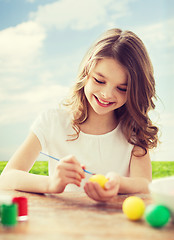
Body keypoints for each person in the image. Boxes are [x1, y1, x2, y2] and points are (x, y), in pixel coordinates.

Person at [0, 28, 159, 202]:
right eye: (99, 80)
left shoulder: (133, 131)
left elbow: (145, 185)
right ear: (86, 71)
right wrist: (51, 183)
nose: (106, 94)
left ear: (134, 92)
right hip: (63, 226)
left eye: (122, 88)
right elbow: (7, 178)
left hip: (116, 226)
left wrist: (118, 184)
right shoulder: (52, 122)